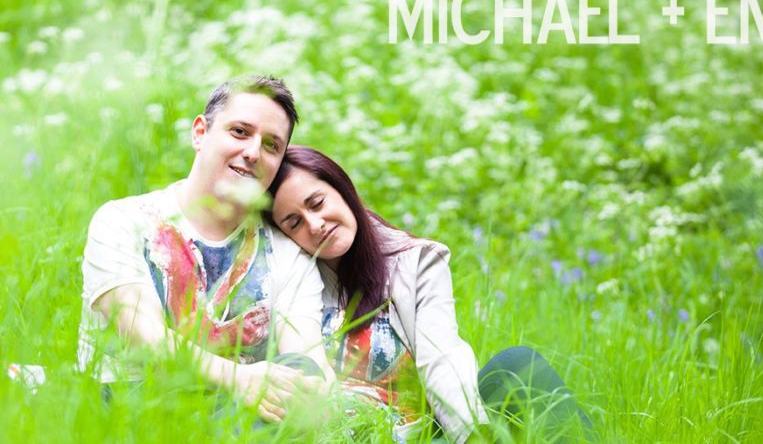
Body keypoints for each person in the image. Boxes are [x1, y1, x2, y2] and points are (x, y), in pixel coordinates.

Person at [268, 145, 597, 443]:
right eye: (294, 222)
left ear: (344, 191)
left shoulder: (415, 262)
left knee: (518, 365)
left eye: (317, 203)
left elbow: (441, 359)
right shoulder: (288, 284)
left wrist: (473, 437)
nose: (315, 224)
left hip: (421, 437)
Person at [78, 76, 334, 423]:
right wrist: (240, 377)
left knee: (297, 378)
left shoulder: (288, 255)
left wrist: (318, 389)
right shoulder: (123, 220)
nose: (253, 152)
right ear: (200, 132)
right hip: (134, 408)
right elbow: (144, 335)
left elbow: (307, 356)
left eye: (272, 145)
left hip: (240, 415)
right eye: (240, 132)